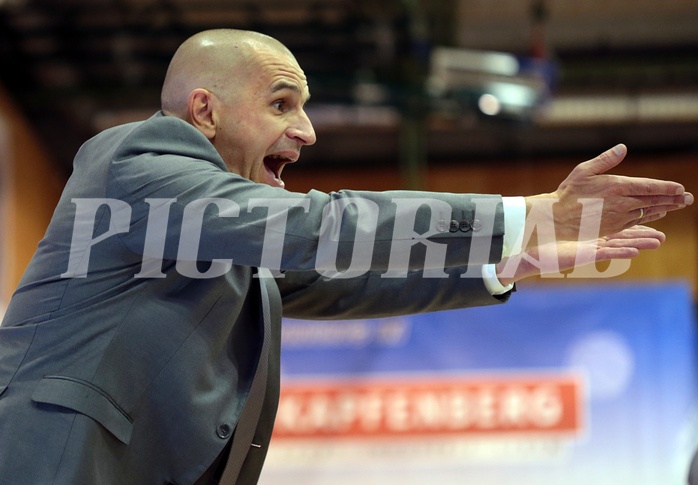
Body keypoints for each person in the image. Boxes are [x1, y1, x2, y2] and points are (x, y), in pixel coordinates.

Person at [0, 29, 692, 485]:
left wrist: (510, 263)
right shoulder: (137, 160)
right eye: (281, 103)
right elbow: (324, 226)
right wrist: (529, 213)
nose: (303, 130)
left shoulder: (225, 232)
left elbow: (337, 278)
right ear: (203, 111)